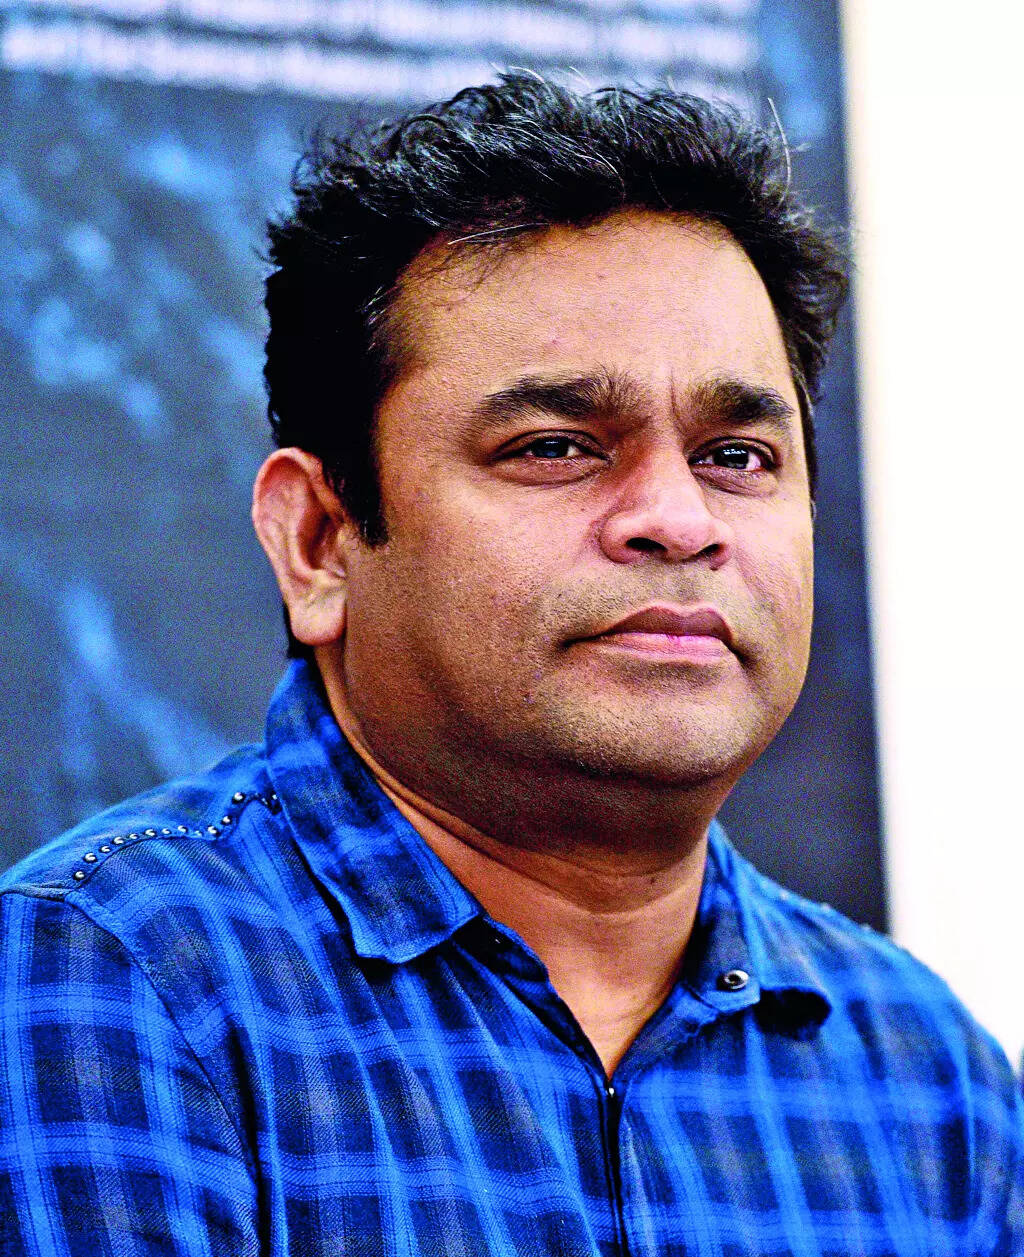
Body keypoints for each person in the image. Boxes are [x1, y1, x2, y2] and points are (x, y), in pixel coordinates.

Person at [0, 75, 1020, 1257]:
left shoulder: (926, 1078)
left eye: (737, 456)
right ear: (319, 541)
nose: (677, 520)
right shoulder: (113, 981)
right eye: (554, 446)